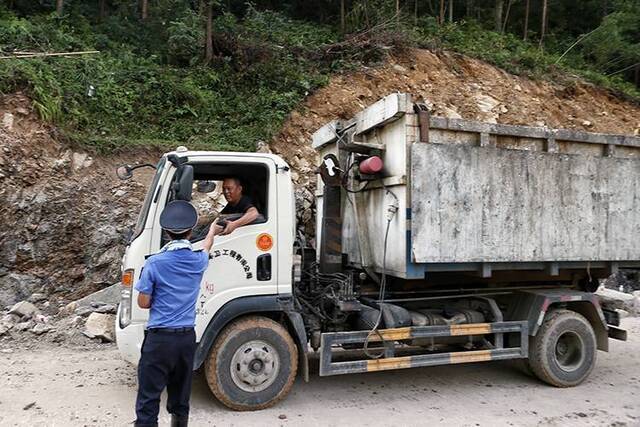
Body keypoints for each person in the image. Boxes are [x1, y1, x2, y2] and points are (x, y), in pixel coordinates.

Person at [133, 200, 220, 427]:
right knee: (181, 397)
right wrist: (212, 230)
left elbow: (143, 302)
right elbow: (207, 246)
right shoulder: (198, 261)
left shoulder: (154, 263)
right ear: (191, 232)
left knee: (148, 398)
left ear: (166, 232)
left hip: (159, 340)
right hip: (186, 340)